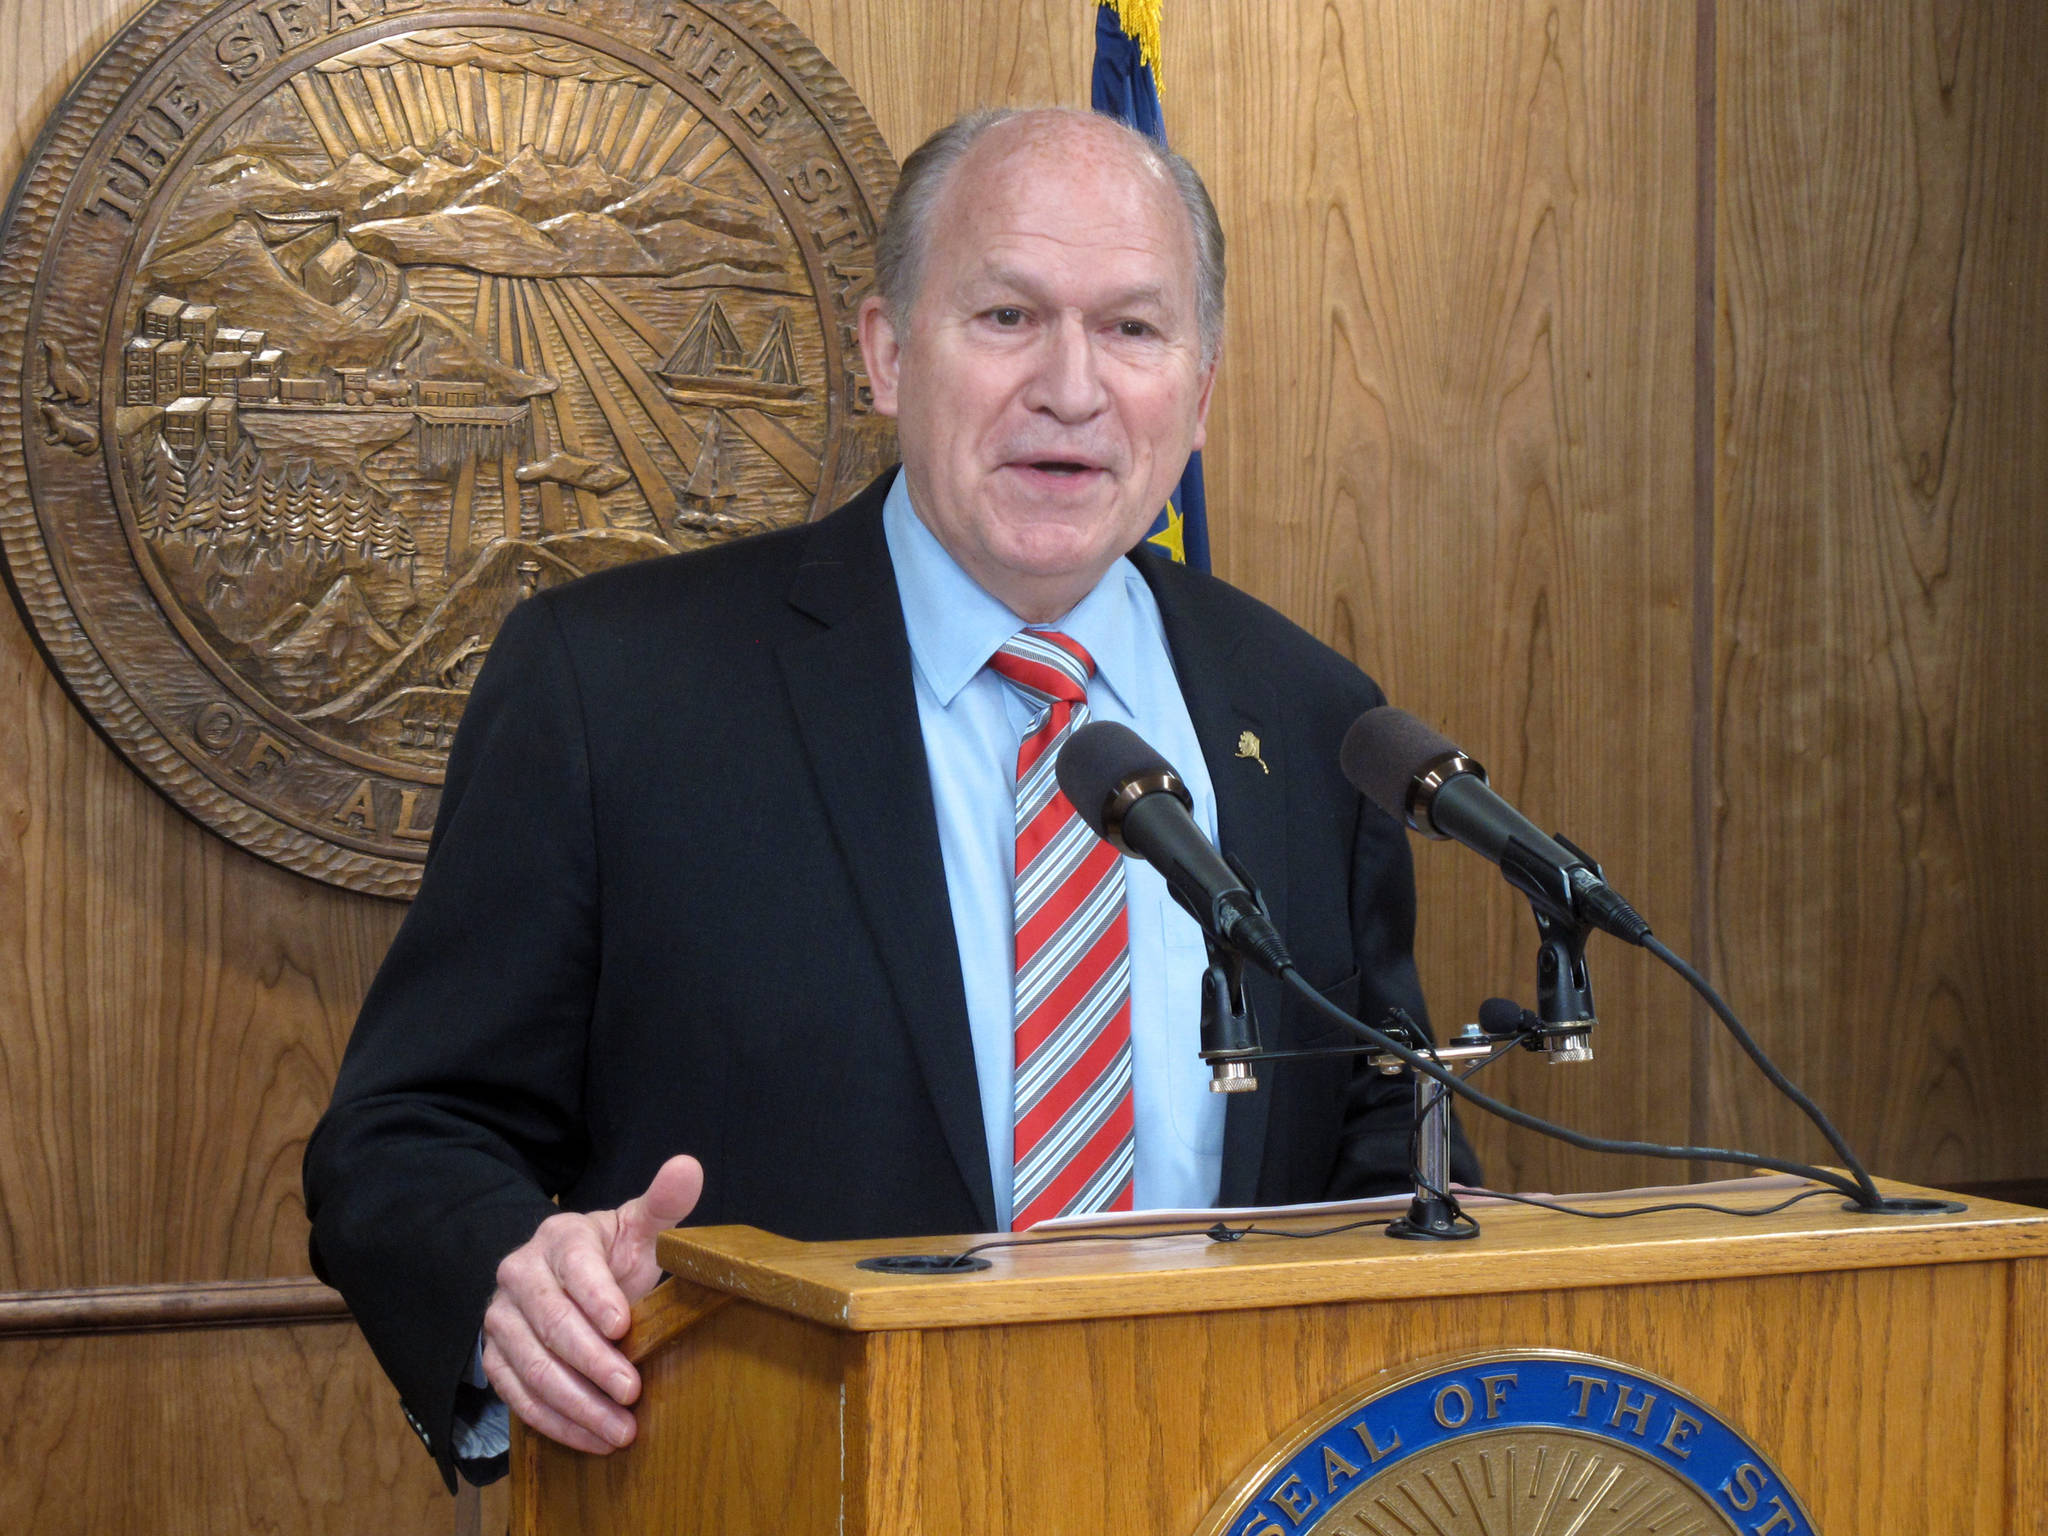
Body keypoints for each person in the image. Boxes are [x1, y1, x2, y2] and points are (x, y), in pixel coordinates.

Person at [303, 106, 1476, 1489]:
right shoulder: (614, 688)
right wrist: (513, 1276)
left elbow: (1372, 1145)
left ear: (1202, 390)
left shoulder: (1312, 716)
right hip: (768, 1491)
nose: (1073, 387)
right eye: (1006, 315)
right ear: (885, 353)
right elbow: (406, 1136)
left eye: (1135, 332)